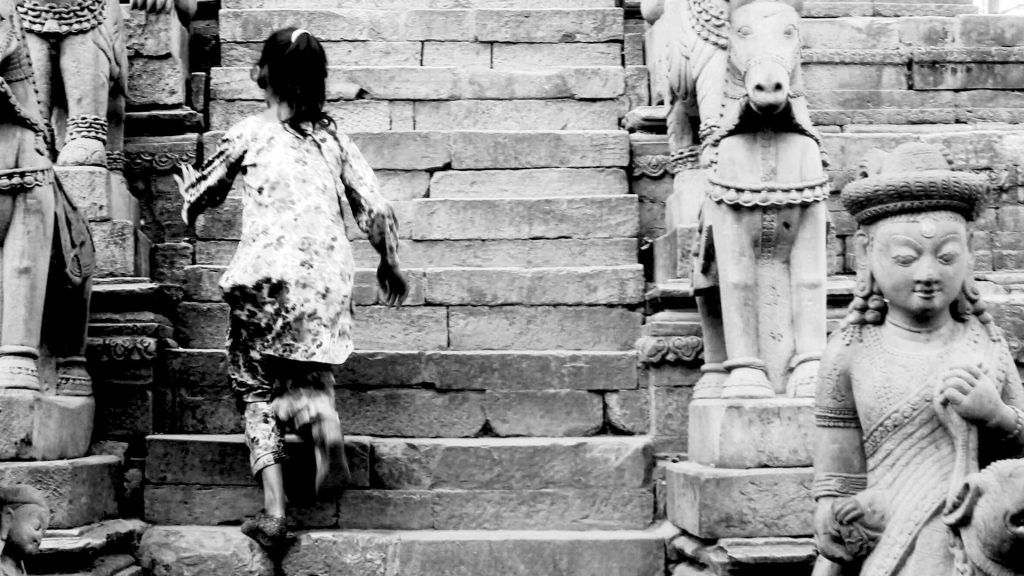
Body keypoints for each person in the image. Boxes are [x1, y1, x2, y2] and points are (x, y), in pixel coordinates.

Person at [174, 27, 408, 550]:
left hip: (266, 281)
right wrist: (389, 263)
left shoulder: (249, 133)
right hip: (326, 280)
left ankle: (276, 510)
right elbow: (376, 208)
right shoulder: (335, 140)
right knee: (308, 373)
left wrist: (187, 199)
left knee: (253, 384)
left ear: (261, 75)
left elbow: (204, 194)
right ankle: (317, 414)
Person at [811, 142, 1024, 576]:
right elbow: (837, 473)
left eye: (946, 257)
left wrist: (998, 416)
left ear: (968, 255)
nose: (927, 274)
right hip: (892, 545)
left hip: (980, 543)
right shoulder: (851, 350)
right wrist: (834, 513)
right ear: (868, 254)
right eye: (906, 258)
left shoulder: (986, 342)